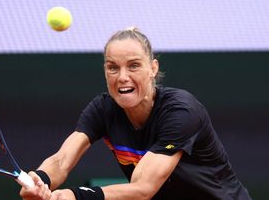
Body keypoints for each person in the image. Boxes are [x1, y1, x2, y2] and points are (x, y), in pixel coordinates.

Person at [19, 27, 252, 200]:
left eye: (133, 65)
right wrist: (40, 180)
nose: (122, 77)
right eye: (113, 67)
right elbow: (61, 160)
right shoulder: (103, 109)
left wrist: (74, 196)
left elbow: (142, 189)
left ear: (153, 68)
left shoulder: (182, 112)